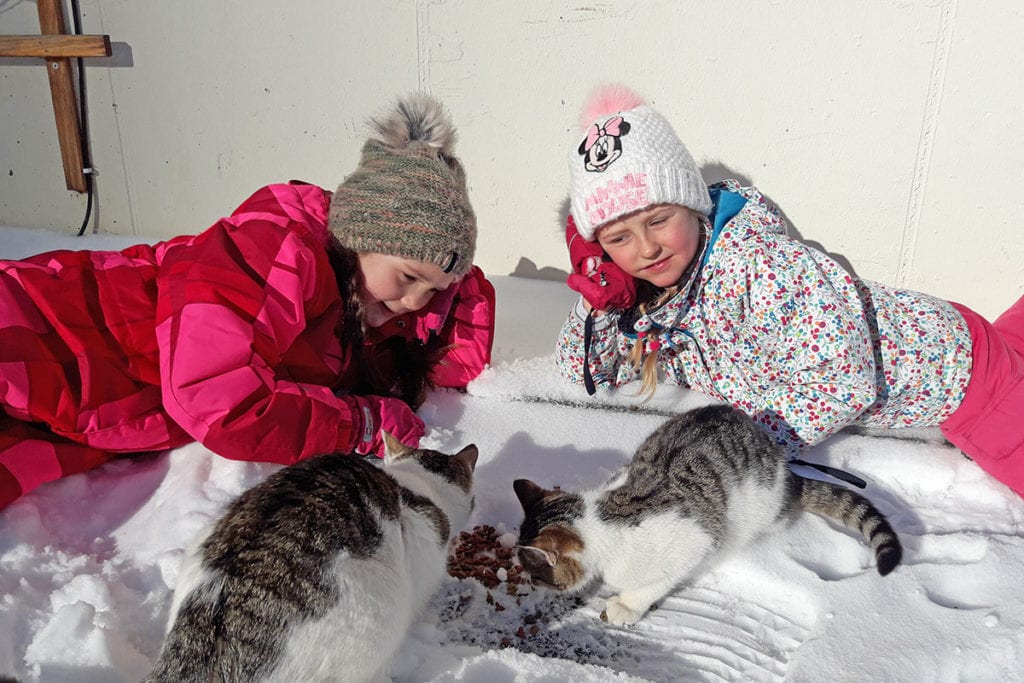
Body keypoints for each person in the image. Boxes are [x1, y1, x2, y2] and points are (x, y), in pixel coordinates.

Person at [0, 93, 495, 510]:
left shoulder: (367, 307)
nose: (415, 301)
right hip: (44, 321)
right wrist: (360, 423)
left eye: (434, 289)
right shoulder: (273, 249)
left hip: (76, 402)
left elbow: (455, 364)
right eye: (409, 276)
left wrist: (453, 285)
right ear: (358, 235)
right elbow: (220, 400)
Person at [556, 84, 1024, 497]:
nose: (647, 247)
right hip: (958, 339)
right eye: (618, 239)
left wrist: (735, 452)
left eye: (659, 220)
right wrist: (597, 301)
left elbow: (843, 383)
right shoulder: (651, 296)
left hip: (964, 380)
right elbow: (584, 373)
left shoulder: (763, 268)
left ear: (692, 206)